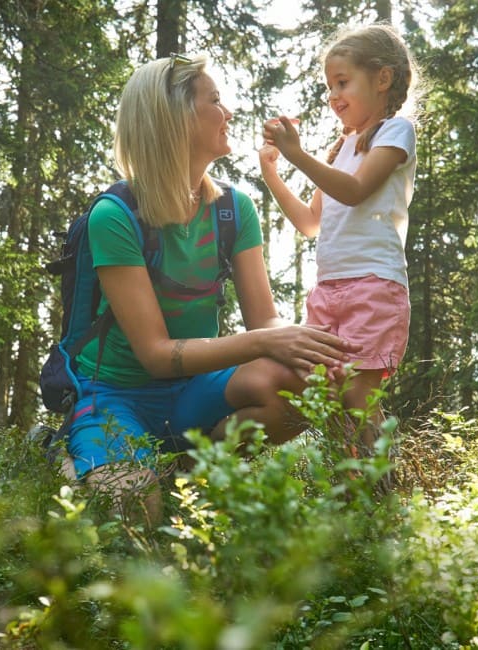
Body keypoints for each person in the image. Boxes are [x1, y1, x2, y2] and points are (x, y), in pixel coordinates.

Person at [66, 52, 361, 526]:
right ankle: (95, 458)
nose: (229, 113)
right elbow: (157, 355)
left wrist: (297, 343)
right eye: (215, 101)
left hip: (193, 392)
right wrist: (268, 340)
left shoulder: (232, 210)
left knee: (304, 383)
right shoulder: (114, 217)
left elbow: (264, 321)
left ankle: (189, 471)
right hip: (116, 396)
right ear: (176, 117)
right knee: (135, 510)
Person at [259, 24, 419, 454]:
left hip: (373, 284)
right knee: (326, 393)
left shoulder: (394, 132)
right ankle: (351, 495)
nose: (333, 95)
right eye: (330, 86)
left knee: (357, 394)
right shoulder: (340, 146)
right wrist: (273, 173)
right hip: (329, 290)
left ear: (382, 79)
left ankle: (382, 499)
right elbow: (312, 223)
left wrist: (296, 154)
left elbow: (355, 190)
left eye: (343, 82)